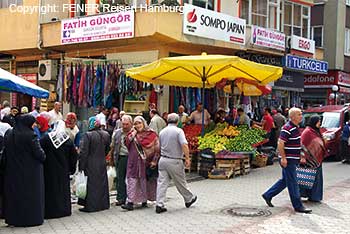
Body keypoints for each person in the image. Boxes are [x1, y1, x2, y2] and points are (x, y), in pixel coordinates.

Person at [262, 107, 312, 214]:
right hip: (288, 160)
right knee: (293, 183)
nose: (301, 116)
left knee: (285, 180)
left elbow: (298, 144)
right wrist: (283, 158)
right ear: (293, 116)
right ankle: (298, 206)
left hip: (293, 159)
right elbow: (280, 143)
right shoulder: (287, 128)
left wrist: (302, 155)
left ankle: (268, 195)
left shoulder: (295, 127)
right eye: (299, 114)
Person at [3, 114, 46, 226]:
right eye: (33, 123)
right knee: (29, 197)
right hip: (30, 173)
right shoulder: (31, 136)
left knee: (14, 195)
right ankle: (29, 219)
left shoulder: (9, 134)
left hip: (12, 171)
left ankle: (13, 219)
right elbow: (40, 155)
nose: (34, 125)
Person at [155, 113, 197, 214]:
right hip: (175, 160)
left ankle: (159, 204)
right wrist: (187, 158)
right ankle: (189, 199)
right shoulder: (179, 131)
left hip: (163, 160)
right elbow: (184, 145)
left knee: (162, 183)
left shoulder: (162, 132)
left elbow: (158, 146)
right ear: (177, 121)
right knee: (180, 181)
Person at [40, 124, 78, 219]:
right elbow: (74, 156)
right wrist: (71, 169)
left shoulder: (46, 138)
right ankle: (63, 210)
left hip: (48, 170)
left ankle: (50, 211)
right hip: (63, 170)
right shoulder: (67, 140)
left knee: (50, 190)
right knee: (62, 191)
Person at [122, 116, 160, 211]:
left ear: (144, 123)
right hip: (133, 162)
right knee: (132, 181)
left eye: (139, 123)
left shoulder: (151, 134)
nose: (138, 125)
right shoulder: (132, 134)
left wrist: (154, 161)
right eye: (135, 123)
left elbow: (157, 148)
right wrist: (133, 133)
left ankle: (144, 200)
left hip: (146, 163)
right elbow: (126, 143)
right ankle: (130, 202)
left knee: (144, 182)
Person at [78, 117, 111, 212]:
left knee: (91, 185)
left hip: (90, 163)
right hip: (101, 162)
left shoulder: (87, 135)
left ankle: (91, 206)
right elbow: (107, 149)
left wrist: (81, 166)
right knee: (102, 184)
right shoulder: (106, 134)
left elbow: (84, 152)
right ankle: (103, 204)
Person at [300, 115, 326, 202]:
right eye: (318, 121)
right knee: (309, 178)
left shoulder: (316, 131)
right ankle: (309, 195)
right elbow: (302, 145)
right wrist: (303, 157)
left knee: (316, 180)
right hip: (309, 160)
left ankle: (315, 197)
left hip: (317, 159)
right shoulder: (307, 132)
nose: (320, 123)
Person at [112, 114, 133, 206]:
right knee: (120, 179)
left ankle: (132, 198)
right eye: (123, 124)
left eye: (126, 124)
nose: (124, 126)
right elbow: (113, 145)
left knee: (132, 179)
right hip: (121, 157)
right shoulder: (117, 133)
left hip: (132, 158)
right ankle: (121, 198)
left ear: (131, 124)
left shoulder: (134, 133)